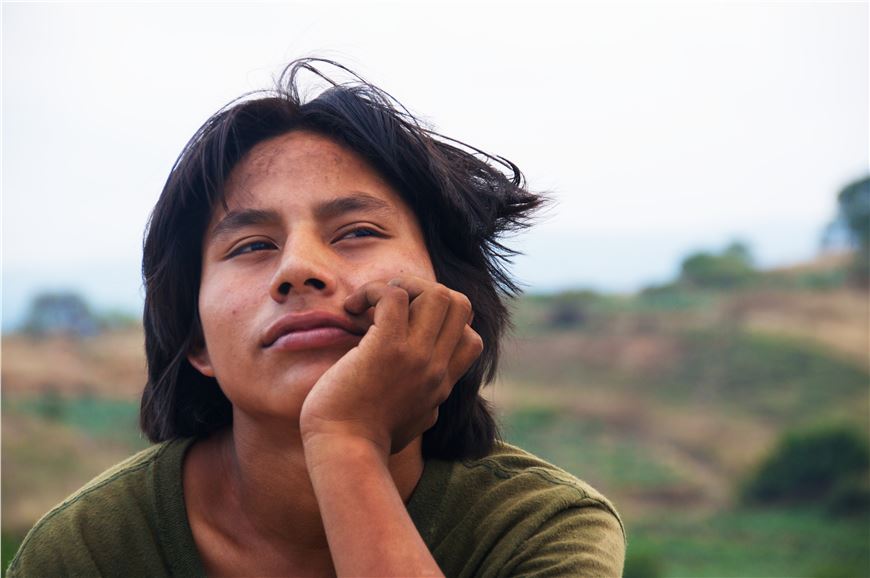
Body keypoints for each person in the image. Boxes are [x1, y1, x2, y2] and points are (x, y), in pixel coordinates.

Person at [8, 59, 625, 577]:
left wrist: (346, 442)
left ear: (449, 296)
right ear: (194, 337)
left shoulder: (537, 531)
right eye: (250, 246)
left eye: (356, 231)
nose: (299, 269)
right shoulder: (90, 550)